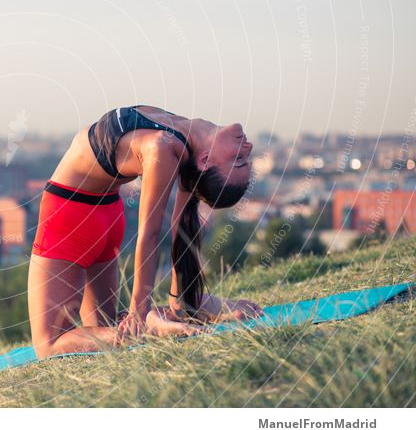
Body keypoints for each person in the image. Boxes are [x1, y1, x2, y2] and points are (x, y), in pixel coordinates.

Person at [28, 104, 264, 359]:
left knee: (48, 344)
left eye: (237, 159)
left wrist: (139, 313)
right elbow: (182, 226)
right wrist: (186, 301)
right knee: (102, 327)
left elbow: (151, 234)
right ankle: (166, 315)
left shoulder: (163, 146)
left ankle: (148, 324)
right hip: (107, 215)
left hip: (69, 217)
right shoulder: (186, 142)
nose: (247, 148)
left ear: (206, 161)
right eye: (244, 159)